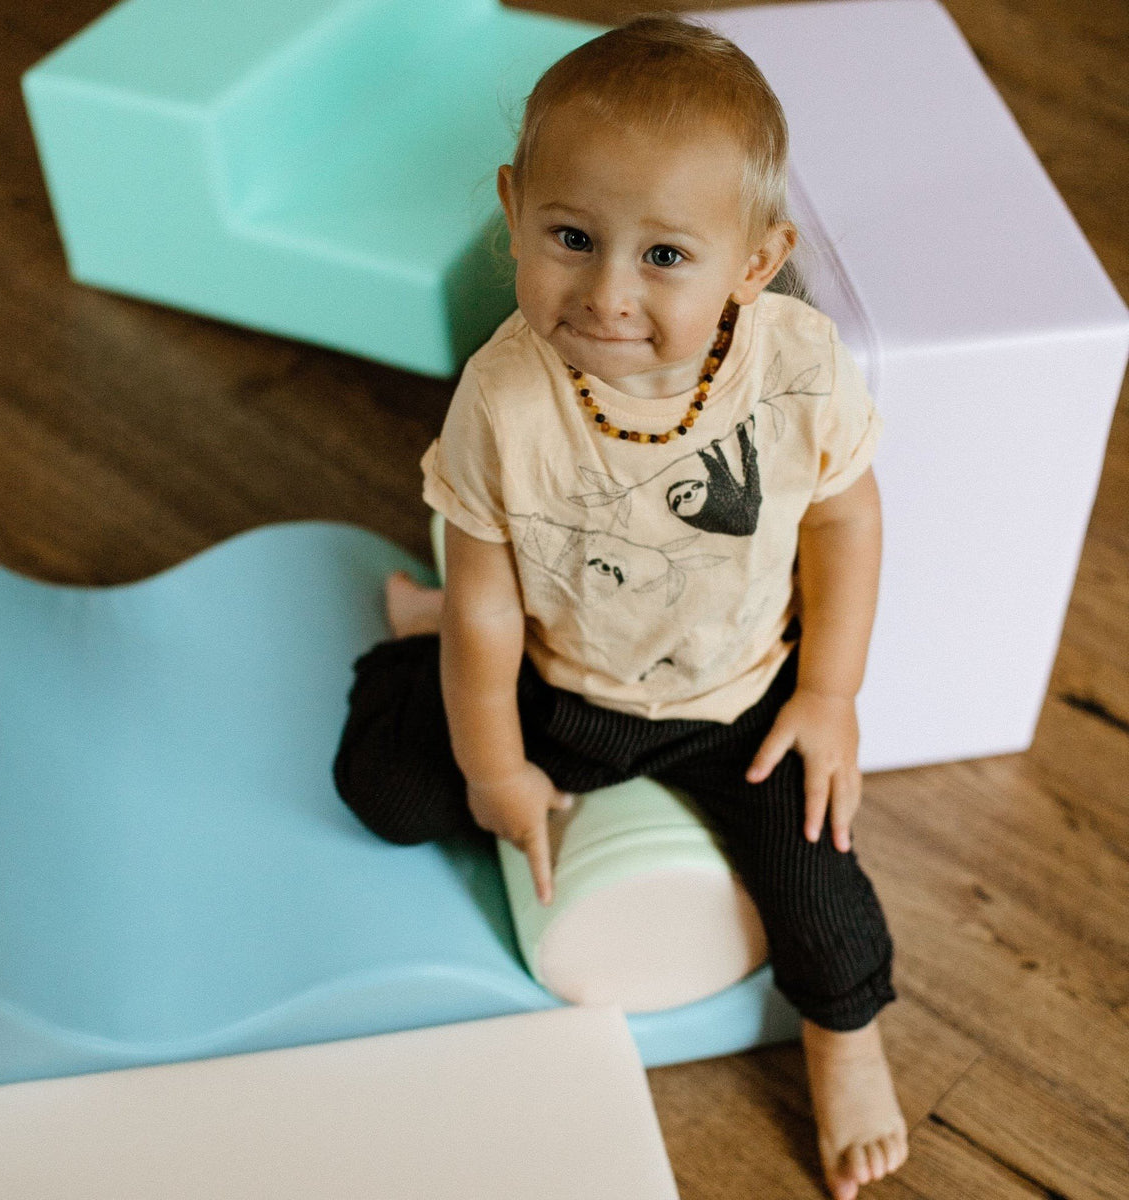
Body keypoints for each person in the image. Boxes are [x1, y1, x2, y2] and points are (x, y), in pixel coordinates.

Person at [334, 15, 907, 1198]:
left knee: (825, 892)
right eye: (571, 237)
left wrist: (830, 694)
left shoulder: (794, 367)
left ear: (755, 260)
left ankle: (845, 1042)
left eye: (664, 257)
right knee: (386, 791)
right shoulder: (503, 398)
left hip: (738, 697)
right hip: (563, 679)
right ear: (514, 204)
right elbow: (492, 597)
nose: (604, 293)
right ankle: (414, 644)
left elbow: (846, 520)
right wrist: (495, 768)